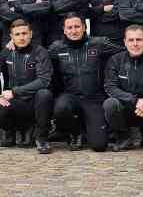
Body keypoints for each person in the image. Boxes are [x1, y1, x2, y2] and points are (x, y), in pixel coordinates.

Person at [48, 14, 124, 152]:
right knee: (60, 108)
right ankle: (75, 133)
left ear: (84, 27)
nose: (73, 31)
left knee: (99, 146)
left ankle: (88, 131)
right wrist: (11, 46)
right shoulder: (56, 48)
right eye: (69, 27)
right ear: (64, 30)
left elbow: (127, 51)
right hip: (70, 96)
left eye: (77, 26)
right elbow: (37, 57)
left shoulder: (99, 44)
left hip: (94, 98)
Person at [0, 19, 54, 154]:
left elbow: (43, 81)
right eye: (17, 34)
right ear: (11, 36)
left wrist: (15, 92)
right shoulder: (8, 51)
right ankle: (19, 129)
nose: (21, 37)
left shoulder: (40, 52)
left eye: (24, 33)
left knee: (44, 94)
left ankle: (42, 138)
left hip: (36, 102)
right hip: (17, 102)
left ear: (31, 34)